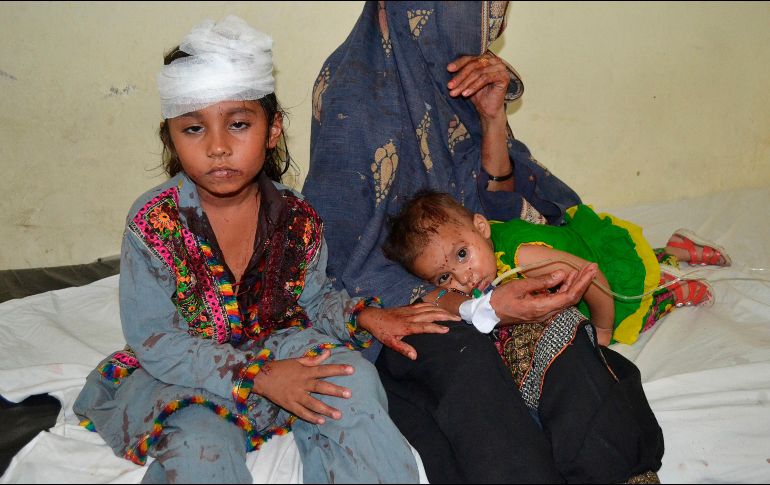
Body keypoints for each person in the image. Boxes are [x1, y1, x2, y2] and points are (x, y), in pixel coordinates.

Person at [72, 15, 461, 484]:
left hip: (281, 344)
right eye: (193, 129)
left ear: (272, 130)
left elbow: (311, 300)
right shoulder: (154, 223)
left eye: (238, 124)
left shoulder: (297, 218)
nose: (218, 147)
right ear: (170, 138)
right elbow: (156, 340)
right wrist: (257, 375)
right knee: (201, 450)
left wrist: (362, 316)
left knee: (351, 381)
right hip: (189, 373)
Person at [303, 2, 664, 483]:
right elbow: (346, 262)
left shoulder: (453, 75)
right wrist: (480, 305)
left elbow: (489, 209)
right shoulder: (353, 97)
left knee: (563, 338)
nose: (485, 24)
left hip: (478, 286)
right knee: (464, 361)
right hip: (396, 302)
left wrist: (492, 117)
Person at [382, 190, 732, 350]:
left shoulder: (524, 258)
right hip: (571, 256)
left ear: (481, 227)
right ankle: (674, 248)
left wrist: (603, 329)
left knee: (635, 305)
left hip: (593, 274)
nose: (464, 278)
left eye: (462, 255)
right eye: (444, 277)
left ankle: (673, 291)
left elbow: (591, 277)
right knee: (644, 258)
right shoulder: (481, 257)